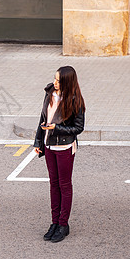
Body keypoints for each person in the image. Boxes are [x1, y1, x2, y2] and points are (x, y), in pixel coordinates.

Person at [34, 66, 85, 243]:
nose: (54, 83)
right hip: (48, 145)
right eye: (54, 79)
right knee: (53, 184)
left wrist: (57, 129)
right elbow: (42, 118)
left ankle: (63, 224)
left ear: (67, 82)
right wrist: (38, 142)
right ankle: (54, 222)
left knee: (64, 185)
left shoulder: (75, 100)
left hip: (64, 148)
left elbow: (78, 128)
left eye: (58, 81)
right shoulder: (49, 92)